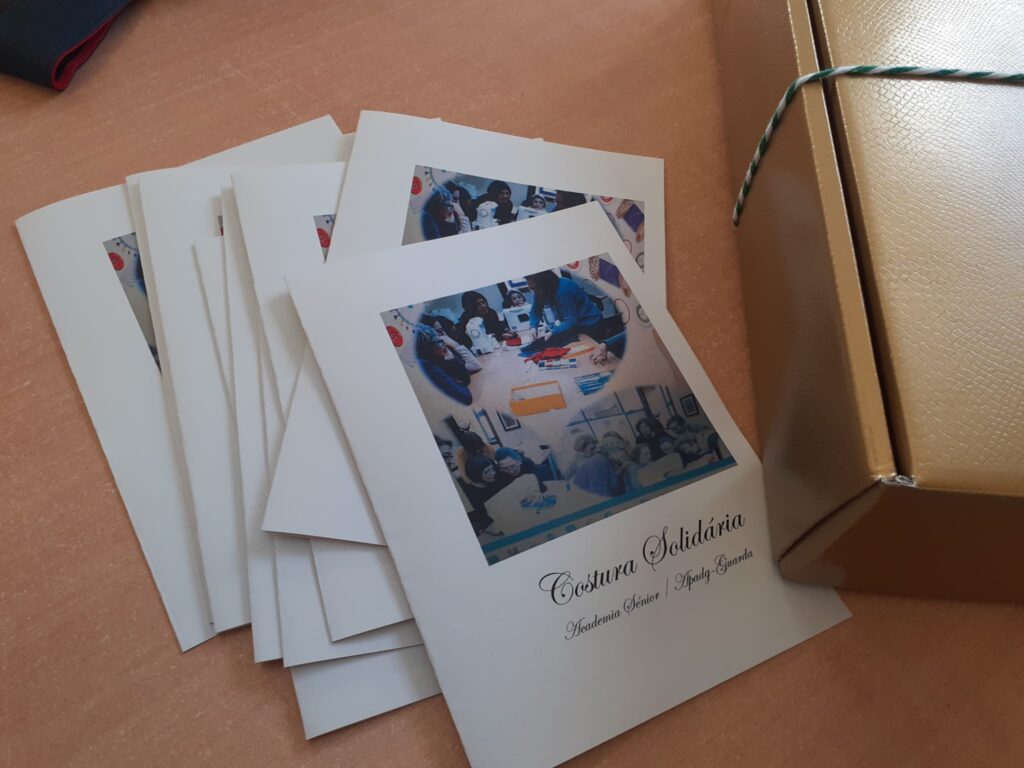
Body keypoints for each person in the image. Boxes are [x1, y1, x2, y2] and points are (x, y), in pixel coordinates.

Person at [522, 270, 604, 352]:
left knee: (591, 349)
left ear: (545, 284)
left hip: (590, 323)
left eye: (536, 288)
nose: (535, 292)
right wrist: (533, 327)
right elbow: (536, 310)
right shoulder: (540, 289)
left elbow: (570, 321)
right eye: (532, 289)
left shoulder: (564, 290)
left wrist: (551, 332)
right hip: (576, 324)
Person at [414, 324, 476, 405]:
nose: (441, 346)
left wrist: (451, 358)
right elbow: (466, 398)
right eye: (438, 344)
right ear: (430, 349)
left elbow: (466, 379)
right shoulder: (426, 364)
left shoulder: (434, 357)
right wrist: (451, 356)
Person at [458, 455, 503, 536]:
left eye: (492, 468)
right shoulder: (472, 497)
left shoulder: (495, 479)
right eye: (487, 472)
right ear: (476, 475)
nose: (493, 473)